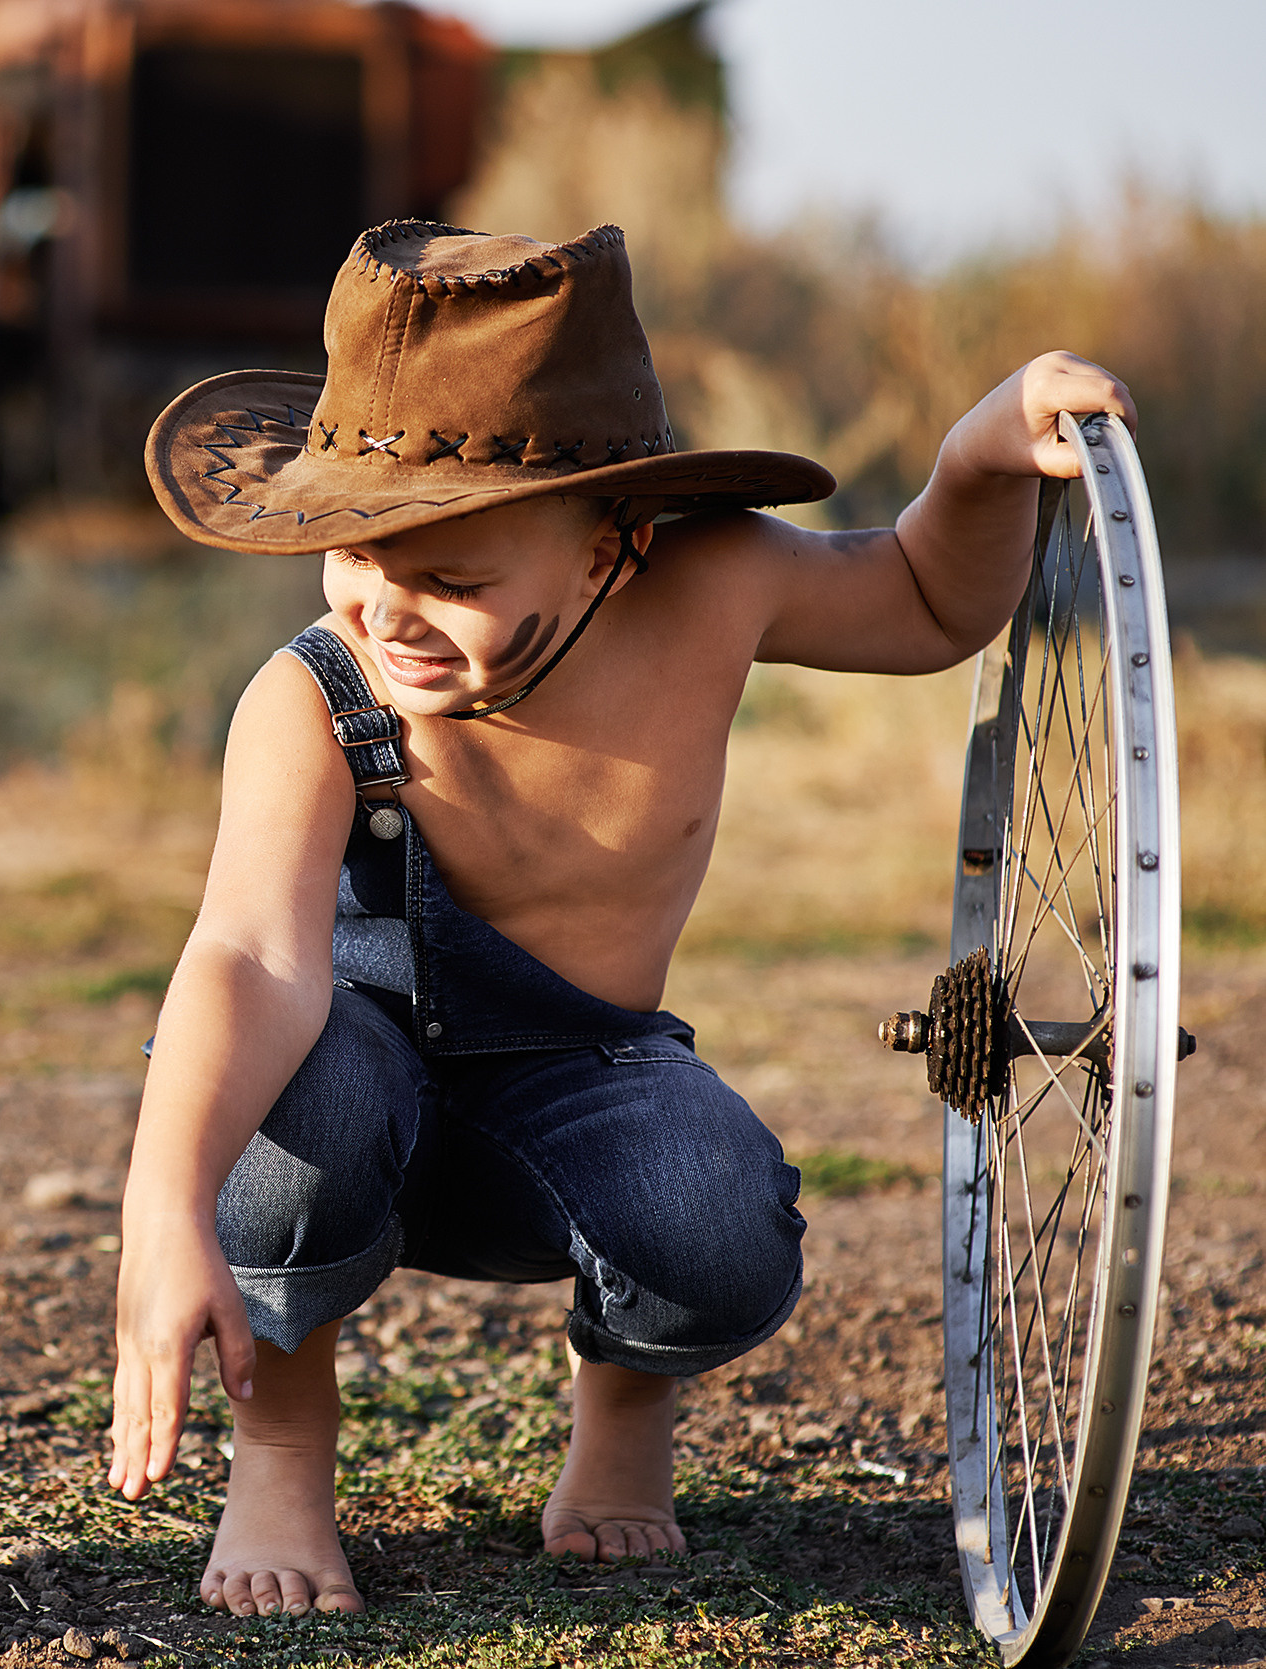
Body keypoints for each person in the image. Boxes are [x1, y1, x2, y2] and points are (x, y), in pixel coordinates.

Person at [104, 221, 1135, 1618]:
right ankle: (284, 1444)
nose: (388, 612)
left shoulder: (714, 586)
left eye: (454, 580)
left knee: (716, 1221)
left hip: (579, 1077)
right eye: (353, 554)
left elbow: (921, 594)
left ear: (613, 546)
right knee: (283, 1125)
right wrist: (163, 1207)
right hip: (355, 1068)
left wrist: (978, 456)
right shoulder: (314, 696)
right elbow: (252, 956)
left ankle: (623, 1416)